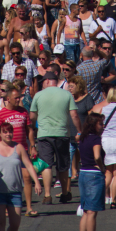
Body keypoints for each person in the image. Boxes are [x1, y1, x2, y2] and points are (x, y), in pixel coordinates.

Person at [0, 123, 42, 231]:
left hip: (15, 192)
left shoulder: (19, 147)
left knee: (15, 224)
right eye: (5, 132)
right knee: (0, 223)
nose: (8, 134)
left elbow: (28, 165)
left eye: (10, 131)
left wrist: (37, 183)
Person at [29, 71, 82, 206]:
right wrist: (80, 131)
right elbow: (74, 115)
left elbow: (32, 116)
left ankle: (47, 195)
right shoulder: (66, 94)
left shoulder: (38, 95)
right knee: (63, 165)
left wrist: (33, 129)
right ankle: (65, 193)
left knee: (46, 164)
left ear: (46, 81)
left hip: (44, 134)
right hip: (62, 134)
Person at [0, 87, 40, 217]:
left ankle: (29, 207)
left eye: (20, 97)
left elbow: (29, 130)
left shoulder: (24, 111)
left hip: (22, 149)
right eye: (16, 98)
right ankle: (8, 206)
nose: (19, 100)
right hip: (6, 151)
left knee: (26, 177)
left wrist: (32, 145)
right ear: (8, 99)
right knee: (8, 178)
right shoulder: (1, 114)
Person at [90, 87, 116, 208]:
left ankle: (101, 197)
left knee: (108, 172)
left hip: (106, 141)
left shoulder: (103, 109)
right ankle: (114, 200)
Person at [77, 114, 107, 231]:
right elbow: (97, 156)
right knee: (92, 212)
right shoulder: (95, 138)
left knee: (86, 211)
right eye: (100, 124)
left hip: (83, 173)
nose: (103, 126)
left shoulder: (83, 137)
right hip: (93, 175)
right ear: (94, 125)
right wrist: (102, 168)